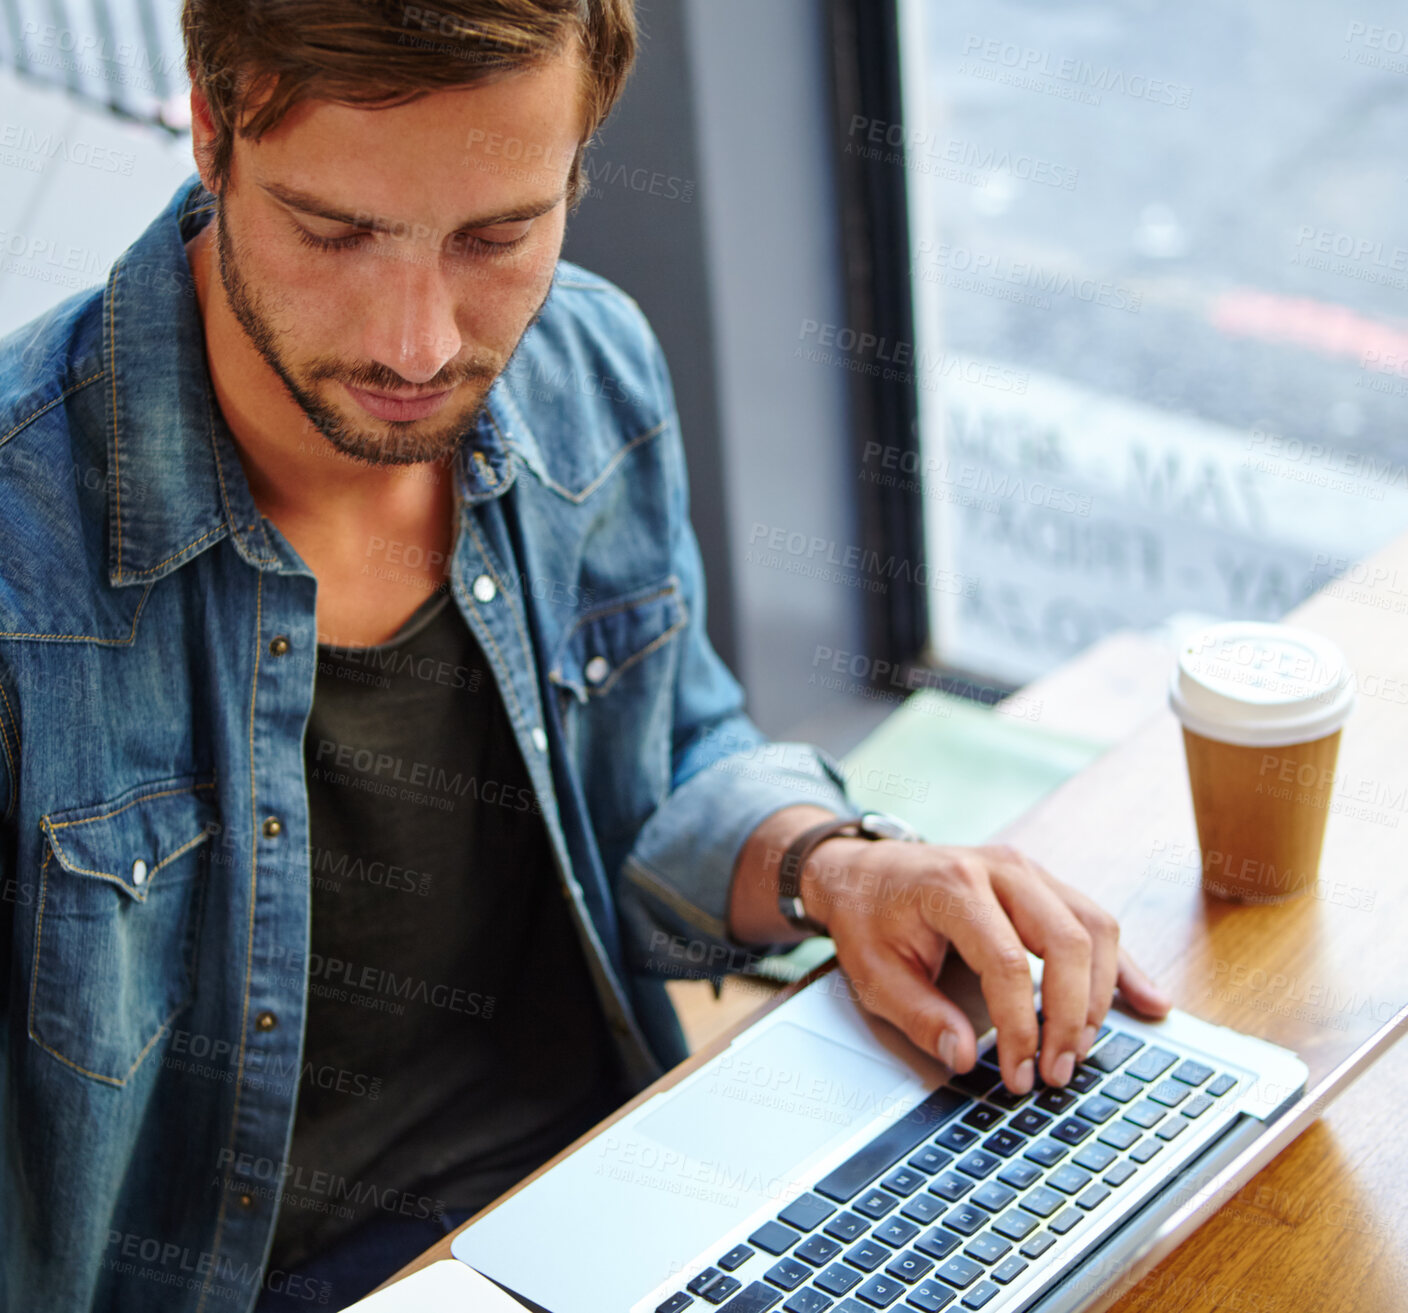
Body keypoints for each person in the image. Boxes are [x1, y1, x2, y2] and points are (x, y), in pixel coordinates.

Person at [0, 2, 1170, 1309]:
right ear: (210, 133)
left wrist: (832, 864)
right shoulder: (20, 545)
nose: (421, 344)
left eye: (498, 236)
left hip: (621, 1203)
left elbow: (664, 750)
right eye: (335, 232)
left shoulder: (585, 369)